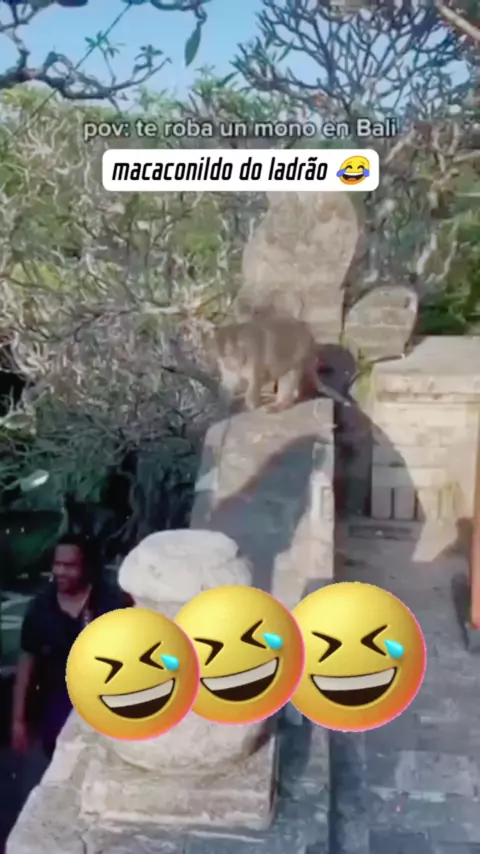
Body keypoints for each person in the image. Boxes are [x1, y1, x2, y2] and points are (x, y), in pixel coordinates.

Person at [11, 533, 132, 760]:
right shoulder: (40, 609)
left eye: (69, 565)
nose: (60, 571)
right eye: (57, 564)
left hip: (104, 705)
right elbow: (27, 660)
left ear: (87, 567)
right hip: (56, 706)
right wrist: (18, 719)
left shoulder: (110, 603)